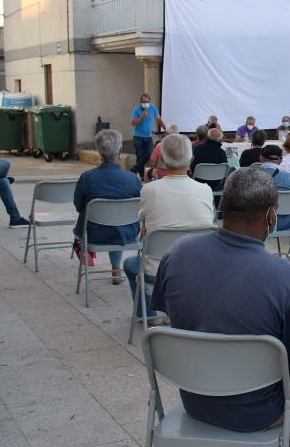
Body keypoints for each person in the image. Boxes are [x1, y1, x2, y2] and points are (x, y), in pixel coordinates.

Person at [151, 168, 290, 446]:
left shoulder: (177, 252)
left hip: (196, 400)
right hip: (261, 411)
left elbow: (171, 316)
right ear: (270, 216)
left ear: (222, 206)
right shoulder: (285, 277)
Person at [124, 134, 214, 326]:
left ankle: (148, 315)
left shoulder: (149, 190)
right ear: (191, 159)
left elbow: (144, 228)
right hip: (200, 267)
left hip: (157, 270)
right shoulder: (205, 189)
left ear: (162, 159)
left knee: (130, 264)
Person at [73, 130, 142, 285]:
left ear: (99, 151)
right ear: (120, 152)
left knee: (108, 221)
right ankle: (115, 269)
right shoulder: (133, 179)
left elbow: (78, 206)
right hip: (127, 232)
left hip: (94, 233)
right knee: (118, 221)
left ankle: (110, 268)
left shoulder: (87, 178)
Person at [259, 145, 290, 251]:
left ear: (261, 158)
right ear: (281, 160)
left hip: (258, 223)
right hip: (283, 221)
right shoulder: (288, 177)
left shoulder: (252, 176)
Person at [130, 93, 166, 176]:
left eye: (147, 102)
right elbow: (133, 123)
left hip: (149, 137)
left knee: (150, 155)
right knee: (140, 156)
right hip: (138, 137)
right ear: (140, 101)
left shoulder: (152, 108)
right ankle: (141, 175)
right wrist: (142, 116)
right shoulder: (136, 110)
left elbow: (159, 119)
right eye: (143, 101)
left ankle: (135, 170)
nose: (145, 103)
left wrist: (166, 129)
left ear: (149, 102)